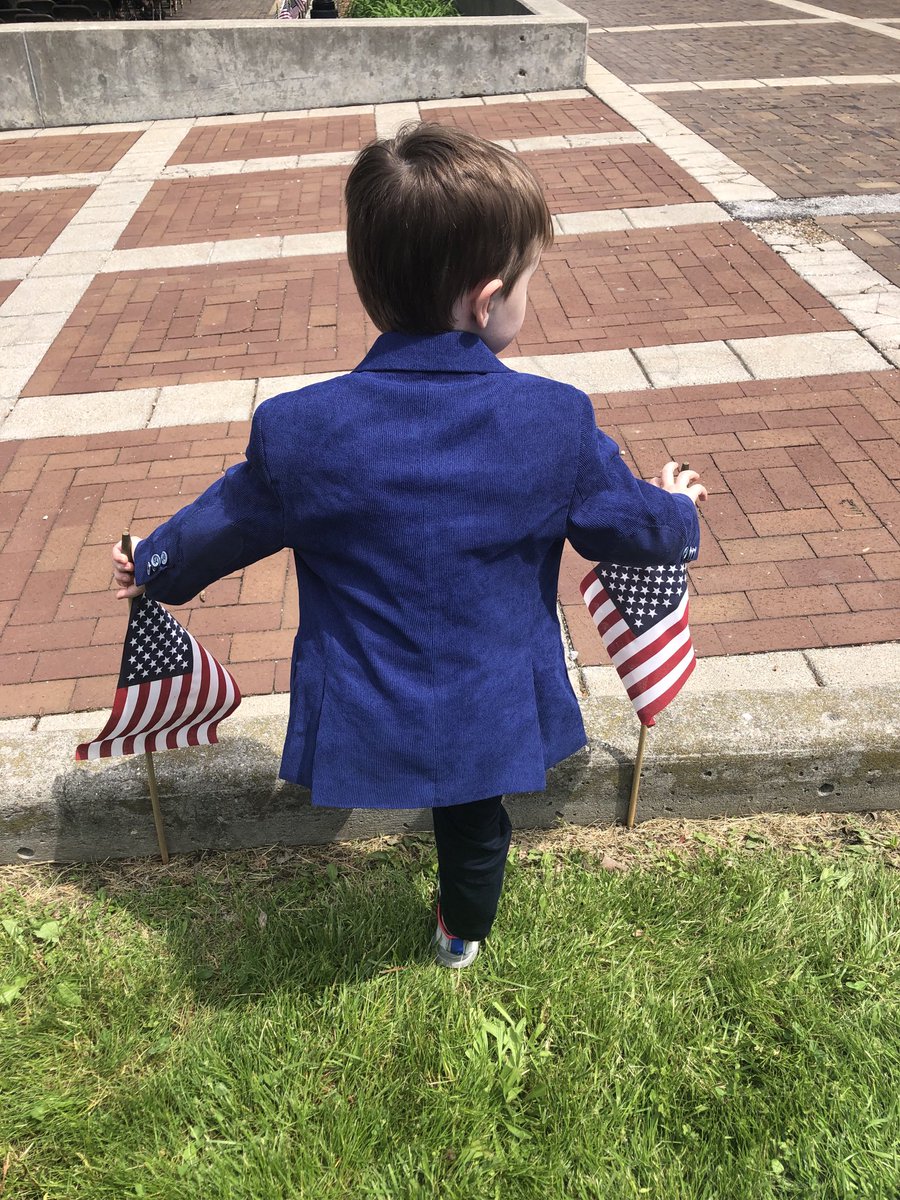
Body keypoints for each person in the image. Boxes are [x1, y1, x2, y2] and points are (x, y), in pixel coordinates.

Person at [111, 123, 707, 969]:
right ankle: (459, 937)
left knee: (460, 811)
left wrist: (153, 565)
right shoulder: (556, 420)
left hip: (367, 697)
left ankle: (443, 899)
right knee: (476, 827)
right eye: (530, 280)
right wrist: (680, 510)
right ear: (486, 297)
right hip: (492, 696)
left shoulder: (301, 429)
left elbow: (223, 525)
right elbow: (631, 524)